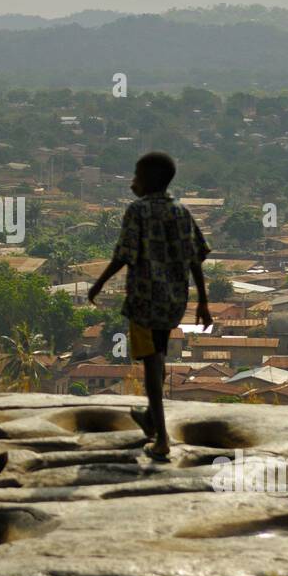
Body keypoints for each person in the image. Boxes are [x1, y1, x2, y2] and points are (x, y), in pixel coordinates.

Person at [87, 151, 212, 461]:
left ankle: (161, 437)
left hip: (144, 300)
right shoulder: (180, 211)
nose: (132, 183)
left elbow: (123, 255)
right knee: (158, 356)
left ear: (148, 181)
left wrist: (99, 282)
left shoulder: (138, 211)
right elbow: (195, 257)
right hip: (173, 301)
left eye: (136, 177)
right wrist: (203, 302)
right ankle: (150, 419)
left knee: (151, 362)